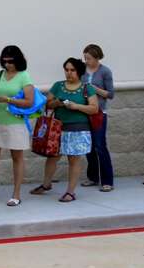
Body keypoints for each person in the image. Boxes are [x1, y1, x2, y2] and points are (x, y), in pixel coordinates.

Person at [32, 58, 99, 202]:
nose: (69, 73)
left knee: (74, 160)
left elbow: (94, 108)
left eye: (72, 70)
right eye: (67, 70)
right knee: (52, 157)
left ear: (79, 71)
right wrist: (56, 103)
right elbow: (48, 104)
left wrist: (76, 106)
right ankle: (46, 184)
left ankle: (70, 192)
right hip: (57, 128)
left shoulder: (87, 88)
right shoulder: (58, 86)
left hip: (79, 129)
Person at [0, 45, 35, 207]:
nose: (7, 64)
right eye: (4, 61)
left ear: (18, 60)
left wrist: (9, 100)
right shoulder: (0, 74)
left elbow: (29, 102)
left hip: (16, 123)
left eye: (10, 61)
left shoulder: (24, 76)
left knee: (16, 158)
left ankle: (16, 194)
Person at [80, 43, 115, 191]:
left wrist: (95, 90)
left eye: (88, 58)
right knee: (89, 146)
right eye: (85, 58)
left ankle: (107, 181)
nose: (86, 61)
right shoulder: (82, 71)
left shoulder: (105, 71)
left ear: (96, 58)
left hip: (99, 113)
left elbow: (110, 94)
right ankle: (93, 177)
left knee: (100, 145)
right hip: (84, 111)